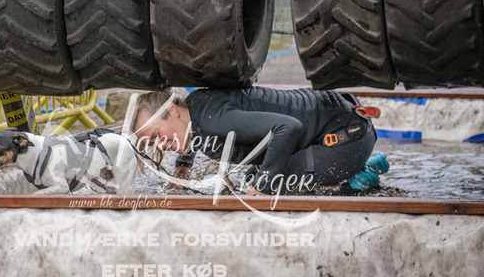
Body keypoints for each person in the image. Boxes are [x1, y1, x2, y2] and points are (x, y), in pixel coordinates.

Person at [130, 86, 388, 195]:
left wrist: (263, 188)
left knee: (271, 187)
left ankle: (356, 183)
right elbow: (191, 133)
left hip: (347, 138)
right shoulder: (196, 106)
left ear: (173, 109)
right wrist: (183, 164)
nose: (160, 145)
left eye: (157, 136)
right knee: (252, 178)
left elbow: (288, 128)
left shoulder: (212, 120)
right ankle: (356, 167)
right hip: (344, 120)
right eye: (152, 144)